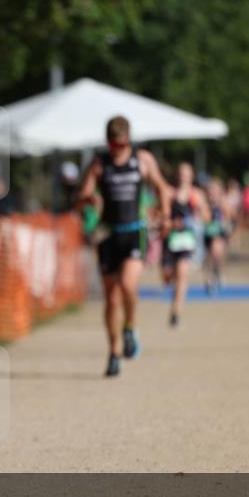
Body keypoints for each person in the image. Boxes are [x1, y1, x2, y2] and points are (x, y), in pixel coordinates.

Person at [75, 116, 171, 377]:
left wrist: (166, 215)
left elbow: (163, 188)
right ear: (107, 143)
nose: (117, 150)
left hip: (133, 232)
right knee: (111, 298)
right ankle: (114, 352)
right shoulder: (99, 164)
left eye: (122, 145)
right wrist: (89, 199)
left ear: (129, 141)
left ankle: (130, 327)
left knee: (128, 285)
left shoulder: (143, 160)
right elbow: (80, 198)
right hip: (108, 235)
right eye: (113, 145)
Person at [160, 163, 206, 327]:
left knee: (182, 274)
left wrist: (194, 217)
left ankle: (176, 312)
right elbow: (161, 214)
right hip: (170, 239)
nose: (183, 177)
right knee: (167, 276)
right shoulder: (169, 193)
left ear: (191, 176)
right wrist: (171, 223)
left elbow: (206, 215)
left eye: (186, 174)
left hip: (187, 240)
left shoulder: (196, 195)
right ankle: (174, 292)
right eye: (181, 174)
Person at [203, 178, 232, 293]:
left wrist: (224, 226)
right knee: (209, 257)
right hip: (207, 233)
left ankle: (217, 273)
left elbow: (228, 217)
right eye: (211, 190)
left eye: (216, 190)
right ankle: (209, 280)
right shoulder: (205, 203)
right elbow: (203, 217)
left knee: (218, 253)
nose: (213, 192)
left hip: (219, 232)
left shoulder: (223, 203)